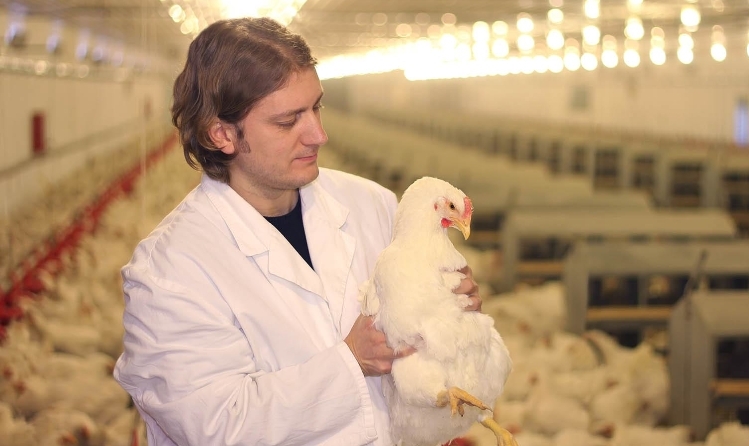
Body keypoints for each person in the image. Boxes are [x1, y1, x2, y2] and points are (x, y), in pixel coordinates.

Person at [113, 16, 482, 446]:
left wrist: (450, 311)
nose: (319, 135)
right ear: (222, 135)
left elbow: (422, 361)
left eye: (316, 108)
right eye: (288, 121)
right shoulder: (170, 270)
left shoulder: (372, 205)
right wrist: (350, 363)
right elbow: (217, 425)